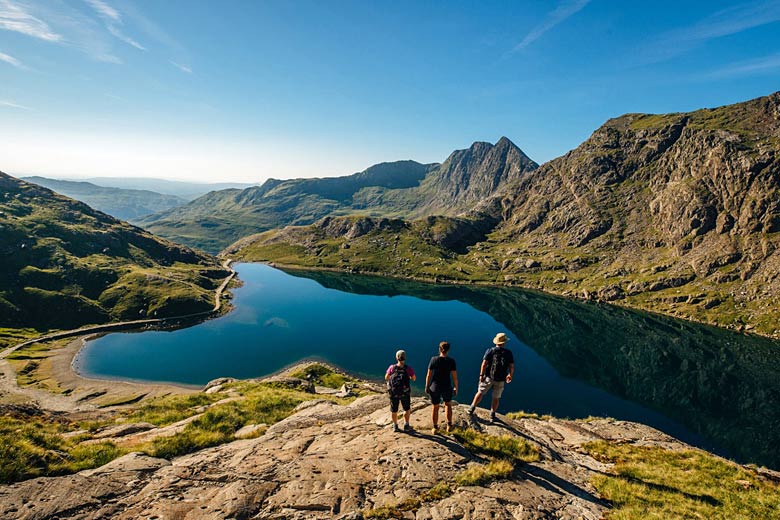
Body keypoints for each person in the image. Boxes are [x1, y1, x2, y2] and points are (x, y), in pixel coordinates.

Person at [468, 332, 514, 423]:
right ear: (504, 342)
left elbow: (484, 364)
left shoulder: (490, 350)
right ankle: (492, 414)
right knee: (496, 397)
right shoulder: (508, 353)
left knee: (480, 392)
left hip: (489, 377)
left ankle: (471, 408)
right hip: (500, 379)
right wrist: (510, 375)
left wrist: (481, 375)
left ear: (496, 342)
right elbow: (511, 366)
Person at [425, 341, 458, 434]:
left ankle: (435, 428)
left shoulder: (434, 359)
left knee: (435, 407)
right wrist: (456, 387)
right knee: (448, 404)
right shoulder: (451, 361)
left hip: (435, 386)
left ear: (439, 349)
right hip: (447, 386)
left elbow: (428, 375)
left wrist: (427, 386)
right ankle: (449, 426)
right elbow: (455, 377)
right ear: (448, 350)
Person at [385, 349, 416, 432]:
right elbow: (414, 378)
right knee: (406, 409)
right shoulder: (408, 368)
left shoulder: (392, 367)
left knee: (394, 410)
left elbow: (386, 377)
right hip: (405, 393)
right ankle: (406, 425)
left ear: (397, 358)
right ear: (405, 358)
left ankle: (395, 426)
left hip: (394, 392)